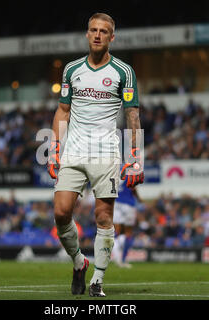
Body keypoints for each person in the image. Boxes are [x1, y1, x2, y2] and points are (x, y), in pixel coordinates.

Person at [47, 13, 144, 297]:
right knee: (61, 212)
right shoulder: (71, 69)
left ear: (112, 37)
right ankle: (79, 262)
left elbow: (133, 115)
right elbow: (63, 111)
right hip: (74, 151)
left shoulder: (123, 72)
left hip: (106, 153)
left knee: (104, 217)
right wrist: (54, 150)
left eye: (104, 31)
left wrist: (135, 157)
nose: (98, 34)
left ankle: (97, 280)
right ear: (87, 34)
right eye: (93, 30)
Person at [112, 178, 142, 268]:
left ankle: (117, 258)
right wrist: (139, 199)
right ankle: (123, 260)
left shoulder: (115, 171)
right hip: (128, 204)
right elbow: (133, 188)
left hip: (116, 203)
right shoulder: (130, 171)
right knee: (128, 233)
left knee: (116, 233)